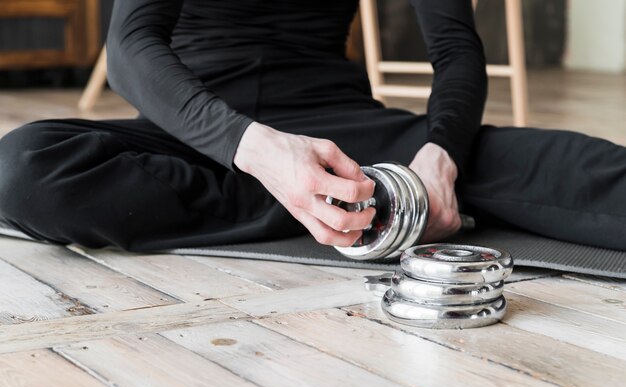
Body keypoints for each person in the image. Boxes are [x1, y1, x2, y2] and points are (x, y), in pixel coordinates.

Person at [0, 0, 625, 253]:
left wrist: (440, 158)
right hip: (204, 133)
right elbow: (129, 46)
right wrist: (262, 154)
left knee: (596, 172)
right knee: (26, 167)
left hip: (350, 137)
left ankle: (346, 197)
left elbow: (456, 49)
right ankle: (350, 202)